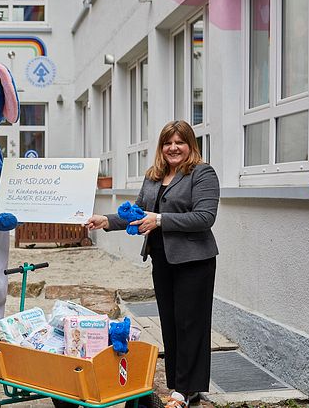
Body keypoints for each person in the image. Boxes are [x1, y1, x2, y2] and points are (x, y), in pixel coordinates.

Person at [86, 120, 219, 408]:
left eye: (179, 142)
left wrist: (159, 220)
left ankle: (185, 390)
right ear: (161, 148)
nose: (173, 148)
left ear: (189, 146)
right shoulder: (154, 176)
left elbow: (205, 217)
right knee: (171, 324)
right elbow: (137, 213)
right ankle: (180, 386)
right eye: (167, 143)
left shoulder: (202, 174)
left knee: (190, 324)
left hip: (194, 261)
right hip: (163, 258)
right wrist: (107, 220)